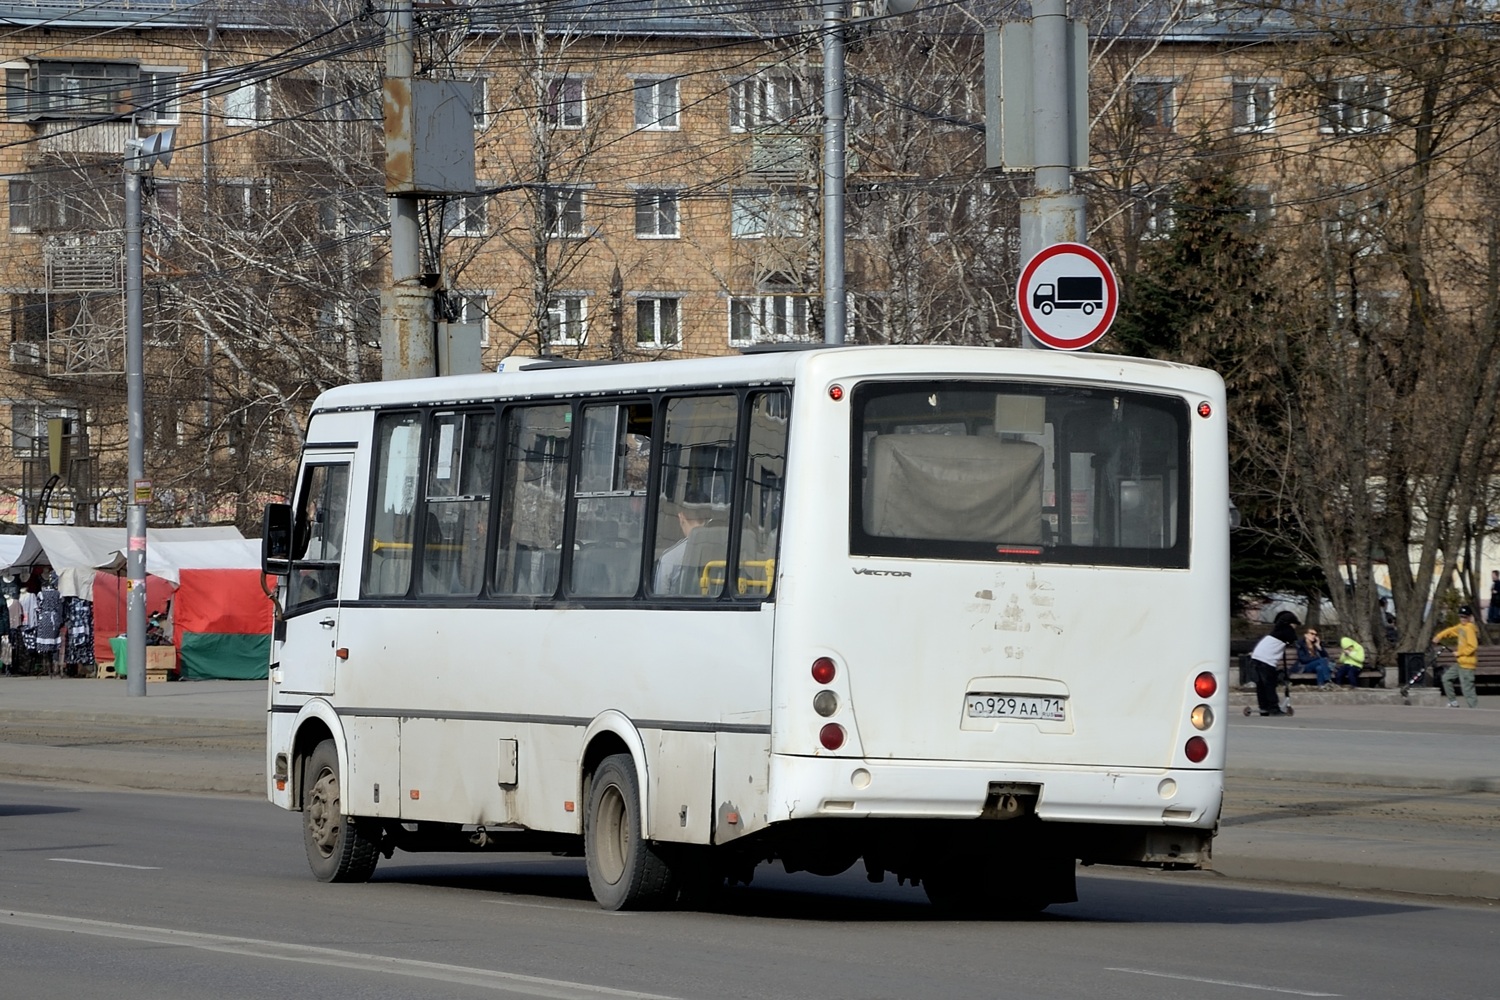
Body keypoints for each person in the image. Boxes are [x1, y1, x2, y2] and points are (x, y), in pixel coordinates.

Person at [1250, 610, 1299, 716]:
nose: (1295, 627)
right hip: (1266, 660)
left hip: (1256, 657)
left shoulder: (1276, 631)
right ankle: (1273, 708)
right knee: (1269, 685)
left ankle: (1263, 707)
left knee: (1261, 686)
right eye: (1295, 624)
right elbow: (1294, 641)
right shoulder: (1287, 630)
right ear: (1290, 623)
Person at [653, 510, 713, 595]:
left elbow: (660, 600)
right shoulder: (723, 550)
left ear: (681, 517)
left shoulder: (669, 558)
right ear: (707, 518)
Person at [1433, 605, 1480, 709]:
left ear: (1469, 617)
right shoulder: (1461, 627)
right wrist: (1439, 636)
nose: (1463, 619)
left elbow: (1473, 646)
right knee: (1446, 678)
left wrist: (1459, 653)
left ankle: (1475, 709)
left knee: (1467, 690)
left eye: (1465, 617)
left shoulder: (1469, 629)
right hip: (1460, 663)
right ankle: (1453, 702)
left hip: (1467, 665)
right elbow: (1451, 630)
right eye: (1461, 617)